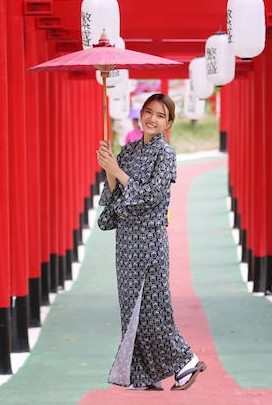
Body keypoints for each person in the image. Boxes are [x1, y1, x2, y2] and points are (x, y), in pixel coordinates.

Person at [95, 93, 206, 391]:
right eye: (148, 112)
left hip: (150, 240)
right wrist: (109, 166)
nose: (151, 119)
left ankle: (186, 361)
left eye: (159, 115)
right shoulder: (128, 150)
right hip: (126, 241)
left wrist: (116, 171)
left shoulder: (165, 154)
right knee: (132, 307)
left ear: (168, 123)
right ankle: (144, 375)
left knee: (153, 308)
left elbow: (151, 196)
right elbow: (115, 195)